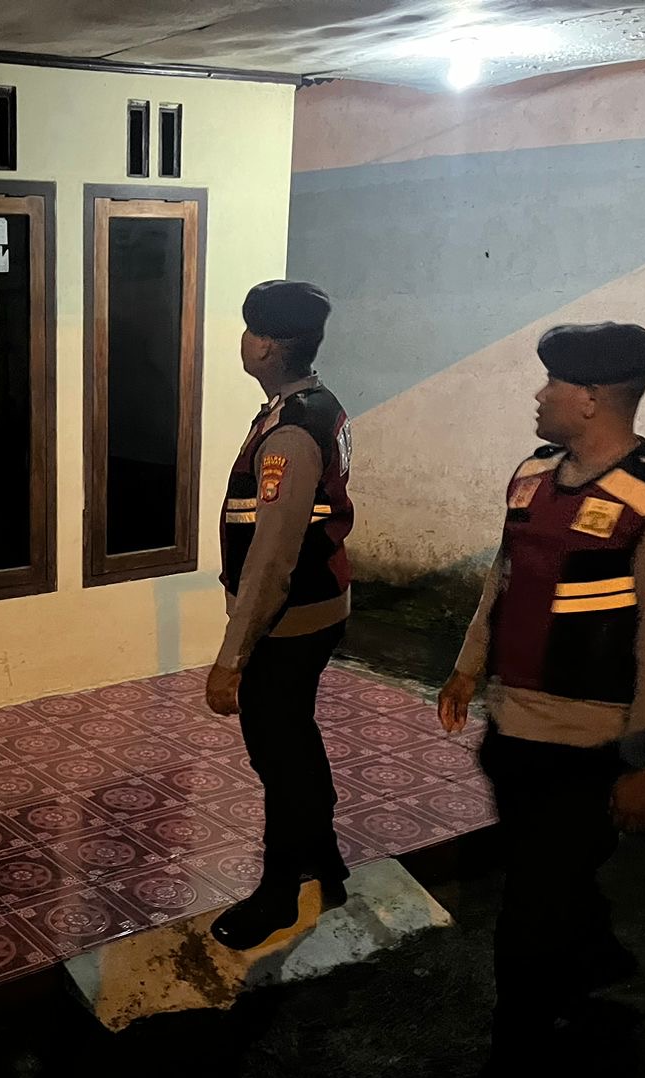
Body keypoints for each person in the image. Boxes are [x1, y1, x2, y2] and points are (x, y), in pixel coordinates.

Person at [438, 321, 645, 1078]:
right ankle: (590, 961)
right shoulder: (533, 477)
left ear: (591, 398)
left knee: (529, 914)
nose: (539, 395)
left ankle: (517, 1063)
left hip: (586, 749)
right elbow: (503, 579)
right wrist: (468, 664)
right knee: (551, 878)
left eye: (552, 384)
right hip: (514, 731)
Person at [204, 280, 355, 951]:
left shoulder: (291, 431)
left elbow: (271, 560)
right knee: (295, 741)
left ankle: (278, 892)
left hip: (288, 620)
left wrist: (231, 658)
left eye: (250, 330)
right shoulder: (306, 407)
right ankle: (323, 857)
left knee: (279, 756)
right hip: (314, 607)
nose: (244, 340)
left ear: (266, 345)